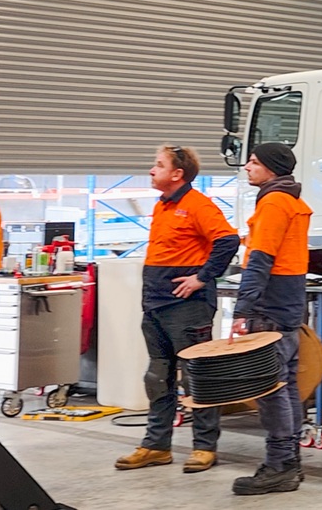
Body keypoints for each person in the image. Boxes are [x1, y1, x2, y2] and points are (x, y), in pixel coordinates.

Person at [115, 145, 240, 474]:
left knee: (199, 377)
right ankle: (156, 446)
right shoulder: (162, 206)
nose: (151, 170)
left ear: (177, 174)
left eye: (158, 165)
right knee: (158, 376)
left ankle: (204, 447)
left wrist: (202, 278)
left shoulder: (198, 204)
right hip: (155, 303)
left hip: (187, 307)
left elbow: (228, 240)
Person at [230, 143, 312, 496]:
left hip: (269, 307)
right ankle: (289, 462)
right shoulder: (290, 201)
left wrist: (242, 309)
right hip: (289, 303)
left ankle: (278, 465)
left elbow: (261, 259)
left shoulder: (274, 202)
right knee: (286, 385)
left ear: (271, 168)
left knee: (269, 387)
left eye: (254, 162)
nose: (247, 167)